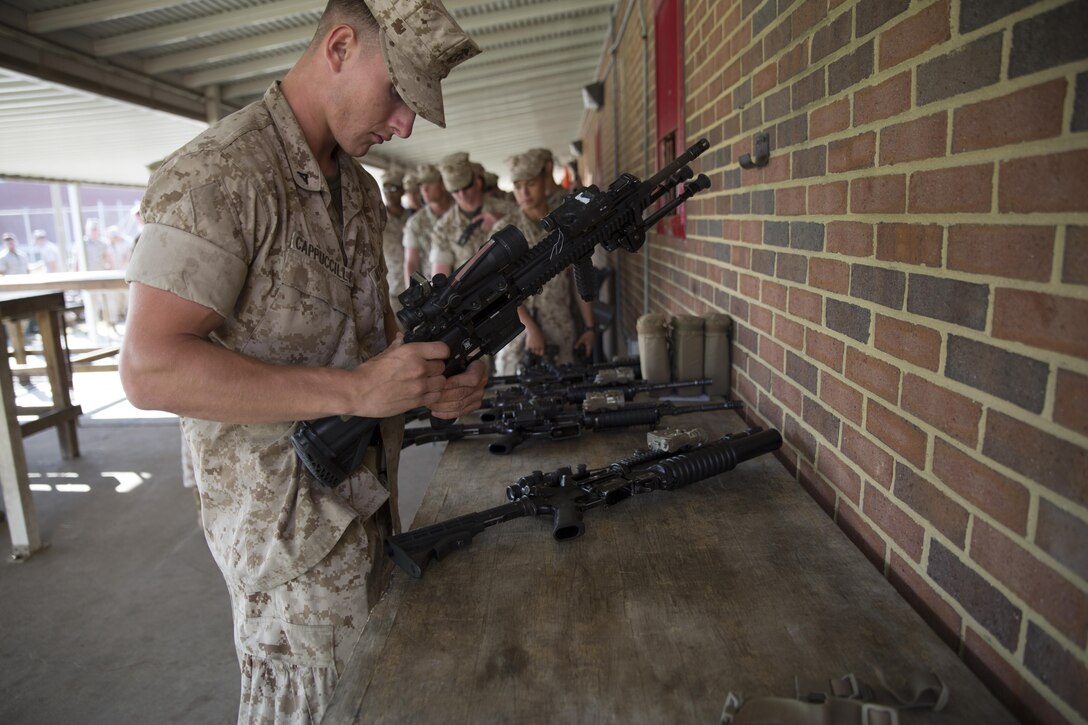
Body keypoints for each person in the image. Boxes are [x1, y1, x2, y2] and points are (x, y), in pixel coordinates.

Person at [119, 2, 485, 722]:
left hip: (368, 512)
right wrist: (354, 389)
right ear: (341, 47)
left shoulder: (361, 190)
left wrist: (428, 383)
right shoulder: (220, 175)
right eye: (399, 93)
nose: (406, 124)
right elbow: (148, 366)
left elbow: (373, 345)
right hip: (286, 544)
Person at [494, 152, 594, 375]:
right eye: (518, 186)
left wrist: (589, 327)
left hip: (559, 331)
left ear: (543, 181)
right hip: (516, 335)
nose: (524, 192)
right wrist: (531, 328)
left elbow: (578, 277)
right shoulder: (504, 231)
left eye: (530, 184)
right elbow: (497, 288)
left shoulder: (565, 223)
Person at [428, 151, 515, 277]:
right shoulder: (443, 228)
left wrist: (501, 222)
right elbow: (440, 276)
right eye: (456, 191)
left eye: (466, 187)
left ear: (477, 182)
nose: (462, 195)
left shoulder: (507, 210)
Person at [402, 162, 447, 282]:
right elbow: (411, 262)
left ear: (442, 184)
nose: (425, 189)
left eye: (430, 183)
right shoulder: (416, 222)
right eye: (421, 184)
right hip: (436, 289)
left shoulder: (459, 212)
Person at [380, 165, 408, 311]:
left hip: (418, 286)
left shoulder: (414, 217)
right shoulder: (378, 218)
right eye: (385, 189)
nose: (389, 194)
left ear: (402, 190)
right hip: (393, 289)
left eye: (393, 189)